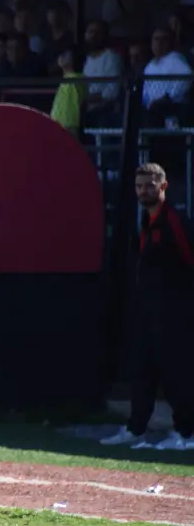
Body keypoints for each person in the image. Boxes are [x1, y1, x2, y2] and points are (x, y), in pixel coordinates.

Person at [100, 163, 194, 451]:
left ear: (163, 187)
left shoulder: (176, 222)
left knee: (177, 375)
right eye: (139, 186)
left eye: (149, 186)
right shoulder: (144, 223)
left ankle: (187, 433)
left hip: (174, 314)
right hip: (147, 313)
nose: (143, 191)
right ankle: (136, 428)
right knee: (142, 372)